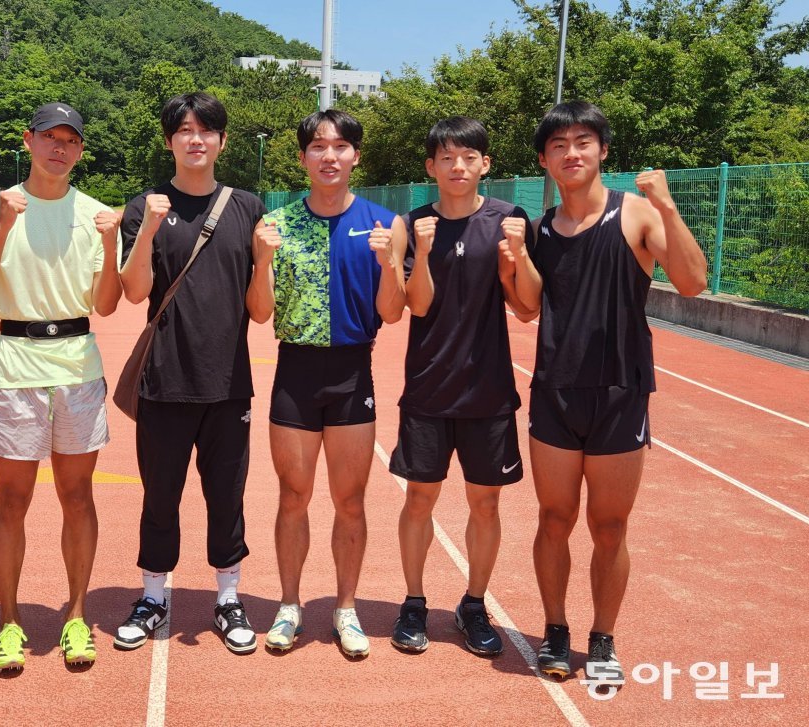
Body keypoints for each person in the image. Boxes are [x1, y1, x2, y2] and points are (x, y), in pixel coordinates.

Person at [511, 101, 707, 682]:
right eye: (558, 145)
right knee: (553, 518)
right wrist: (512, 261)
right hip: (555, 390)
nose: (571, 153)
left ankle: (602, 638)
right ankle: (555, 629)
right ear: (544, 160)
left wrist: (667, 205)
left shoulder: (638, 214)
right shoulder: (540, 230)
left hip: (621, 391)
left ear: (602, 151)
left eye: (583, 142)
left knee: (610, 526)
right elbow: (526, 309)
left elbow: (693, 282)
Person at [0, 102, 122, 671]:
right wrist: (5, 227)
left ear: (80, 150)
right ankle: (9, 622)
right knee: (12, 500)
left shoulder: (97, 215)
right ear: (28, 140)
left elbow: (107, 305)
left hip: (78, 368)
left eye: (70, 140)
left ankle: (76, 616)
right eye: (49, 137)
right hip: (16, 368)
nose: (59, 148)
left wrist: (110, 246)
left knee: (78, 497)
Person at [248, 109, 407, 658]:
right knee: (293, 496)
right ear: (303, 158)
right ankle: (289, 605)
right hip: (294, 371)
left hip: (351, 373)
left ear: (355, 156)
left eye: (340, 146)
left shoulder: (384, 223)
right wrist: (261, 261)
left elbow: (392, 313)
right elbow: (260, 312)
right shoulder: (276, 224)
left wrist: (390, 263)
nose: (329, 156)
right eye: (318, 147)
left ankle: (345, 608)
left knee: (350, 500)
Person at [115, 92, 267, 654]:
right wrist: (148, 230)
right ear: (169, 141)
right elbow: (134, 292)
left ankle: (227, 598)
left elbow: (260, 310)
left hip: (228, 384)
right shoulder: (145, 208)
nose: (195, 139)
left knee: (227, 496)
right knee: (161, 496)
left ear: (222, 141)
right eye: (184, 130)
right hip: (164, 379)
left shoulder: (247, 208)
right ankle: (153, 596)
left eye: (206, 130)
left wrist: (266, 260)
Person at [388, 117, 534, 658]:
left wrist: (516, 259)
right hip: (428, 388)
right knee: (419, 499)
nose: (458, 166)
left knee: (486, 503)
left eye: (469, 156)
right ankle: (413, 603)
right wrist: (424, 253)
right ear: (431, 166)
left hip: (488, 391)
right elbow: (416, 305)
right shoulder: (412, 224)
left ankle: (474, 604)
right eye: (447, 157)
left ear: (485, 164)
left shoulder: (509, 219)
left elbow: (527, 307)